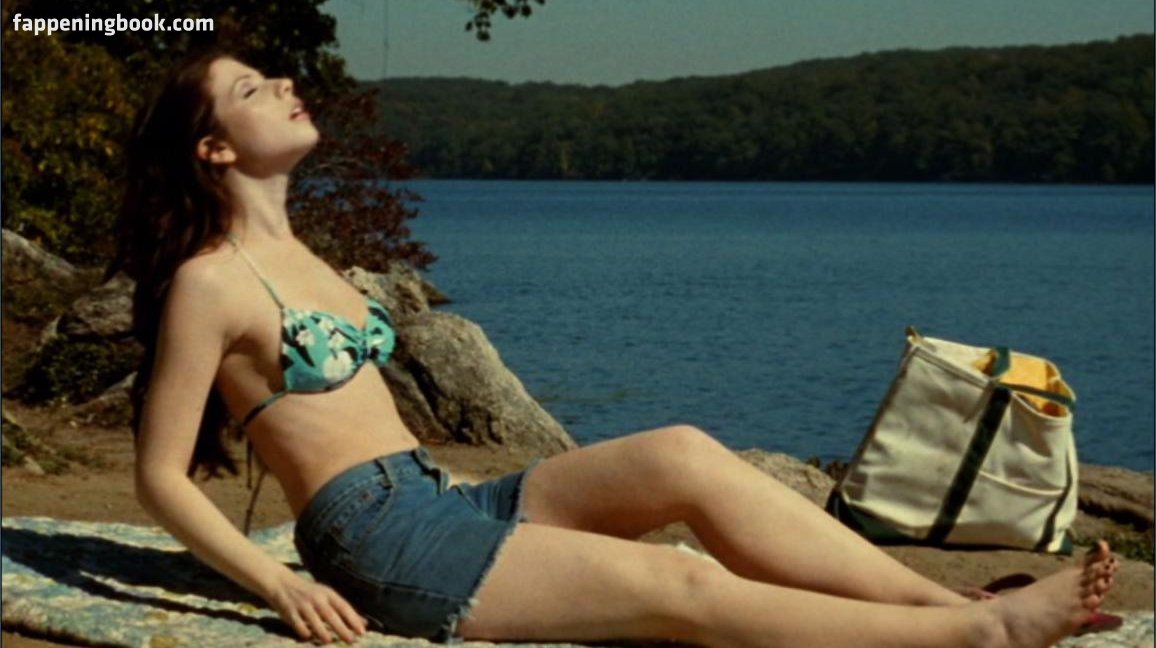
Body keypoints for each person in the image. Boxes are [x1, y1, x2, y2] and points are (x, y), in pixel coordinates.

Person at [113, 46, 1117, 648]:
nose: (286, 82)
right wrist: (280, 582)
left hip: (437, 502)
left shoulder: (308, 257)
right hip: (375, 541)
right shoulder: (209, 281)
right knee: (680, 585)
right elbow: (159, 477)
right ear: (215, 149)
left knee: (682, 452)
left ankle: (940, 599)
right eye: (252, 88)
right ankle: (979, 634)